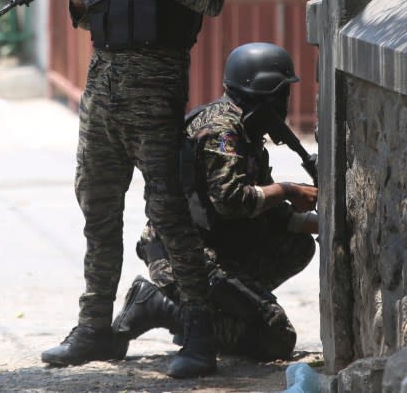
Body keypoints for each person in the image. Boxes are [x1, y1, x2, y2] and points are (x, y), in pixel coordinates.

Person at [40, 0, 226, 378]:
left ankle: (199, 333)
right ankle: (96, 326)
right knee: (97, 209)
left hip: (156, 87)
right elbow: (96, 12)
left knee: (167, 211)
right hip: (103, 90)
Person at [112, 42, 319, 362]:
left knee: (299, 244)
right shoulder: (222, 129)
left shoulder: (247, 130)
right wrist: (290, 190)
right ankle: (162, 306)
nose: (286, 103)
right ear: (264, 92)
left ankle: (225, 308)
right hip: (183, 256)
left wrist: (320, 222)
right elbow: (232, 201)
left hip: (219, 243)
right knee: (275, 338)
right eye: (282, 93)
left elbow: (266, 208)